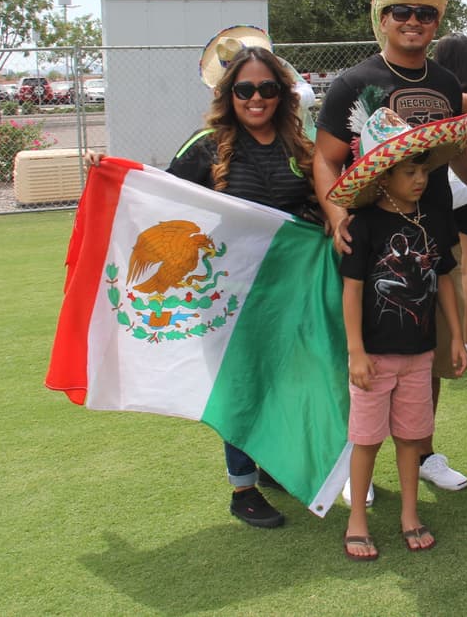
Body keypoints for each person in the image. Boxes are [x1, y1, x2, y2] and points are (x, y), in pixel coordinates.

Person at [91, 26, 319, 529]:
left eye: (267, 89)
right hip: (226, 294)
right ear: (227, 94)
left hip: (288, 291)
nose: (256, 98)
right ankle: (243, 489)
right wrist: (112, 175)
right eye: (245, 90)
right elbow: (164, 204)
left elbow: (316, 207)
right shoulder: (206, 147)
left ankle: (270, 463)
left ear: (282, 95)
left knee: (282, 381)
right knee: (238, 386)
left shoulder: (299, 144)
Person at [313, 0, 467, 496]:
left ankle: (423, 450)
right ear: (383, 17)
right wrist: (337, 218)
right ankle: (357, 464)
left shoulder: (448, 82)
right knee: (363, 357)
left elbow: (456, 155)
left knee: (427, 349)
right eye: (402, 12)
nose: (413, 22)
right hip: (373, 237)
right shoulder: (354, 83)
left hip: (432, 235)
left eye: (425, 13)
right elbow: (326, 158)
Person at [325, 96, 467, 560]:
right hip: (374, 355)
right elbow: (352, 292)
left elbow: (444, 283)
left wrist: (457, 337)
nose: (419, 178)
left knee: (412, 438)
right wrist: (355, 352)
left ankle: (410, 513)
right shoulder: (364, 226)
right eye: (408, 171)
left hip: (420, 355)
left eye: (423, 170)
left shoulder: (431, 221)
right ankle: (357, 518)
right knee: (366, 439)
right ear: (384, 177)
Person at [432, 33, 467, 364]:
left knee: (442, 266)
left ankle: (446, 337)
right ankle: (465, 340)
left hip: (437, 187)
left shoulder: (433, 94)